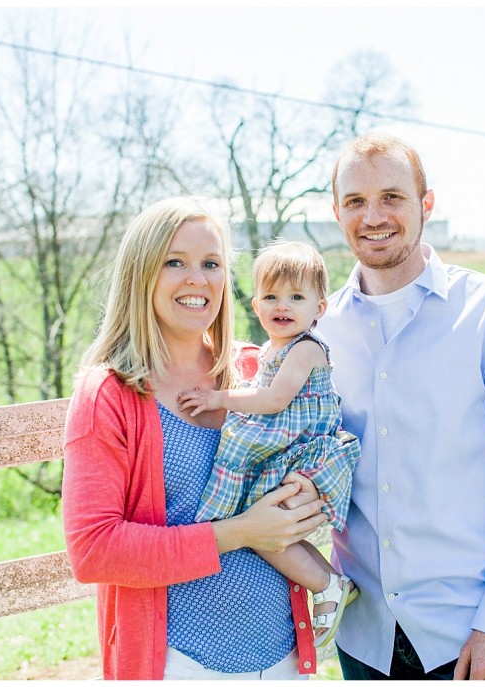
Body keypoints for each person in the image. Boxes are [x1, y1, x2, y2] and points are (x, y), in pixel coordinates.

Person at [314, 132, 485, 680]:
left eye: (392, 197)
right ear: (337, 212)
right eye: (355, 201)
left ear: (426, 203)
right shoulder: (319, 331)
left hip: (474, 637)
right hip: (365, 641)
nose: (373, 215)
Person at [61, 197, 330, 680]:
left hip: (286, 658)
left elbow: (316, 438)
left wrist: (309, 487)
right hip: (178, 664)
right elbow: (94, 549)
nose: (197, 279)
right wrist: (241, 532)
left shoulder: (257, 369)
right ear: (140, 275)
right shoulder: (110, 394)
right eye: (174, 262)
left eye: (211, 263)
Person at [177, 240, 362, 648]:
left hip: (301, 450)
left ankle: (323, 584)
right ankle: (332, 583)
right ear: (256, 305)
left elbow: (275, 400)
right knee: (267, 526)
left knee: (260, 522)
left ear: (319, 309)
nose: (283, 305)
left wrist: (218, 398)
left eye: (297, 296)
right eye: (272, 296)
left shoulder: (306, 348)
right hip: (282, 447)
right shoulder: (271, 348)